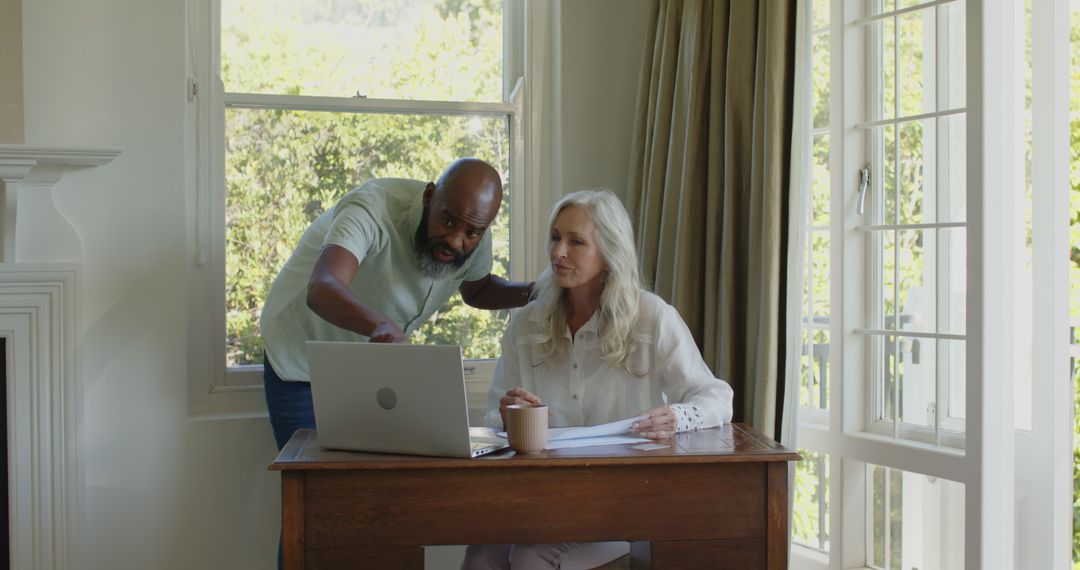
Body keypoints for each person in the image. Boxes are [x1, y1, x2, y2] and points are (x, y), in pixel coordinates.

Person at [462, 190, 734, 570]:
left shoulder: (652, 318)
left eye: (576, 242)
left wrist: (676, 416)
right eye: (556, 237)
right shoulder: (526, 323)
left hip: (622, 501)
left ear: (609, 252)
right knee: (480, 556)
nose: (558, 252)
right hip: (540, 497)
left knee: (528, 557)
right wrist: (507, 416)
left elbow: (717, 396)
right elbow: (493, 419)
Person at [260, 158, 533, 451]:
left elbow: (476, 291)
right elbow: (323, 287)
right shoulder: (372, 209)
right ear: (430, 196)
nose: (455, 241)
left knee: (382, 484)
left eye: (472, 232)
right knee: (317, 486)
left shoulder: (474, 229)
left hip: (374, 370)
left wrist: (537, 292)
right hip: (301, 364)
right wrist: (381, 326)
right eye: (448, 221)